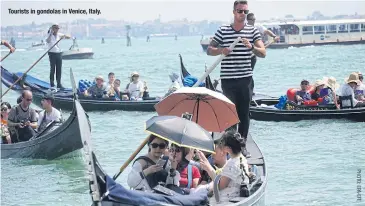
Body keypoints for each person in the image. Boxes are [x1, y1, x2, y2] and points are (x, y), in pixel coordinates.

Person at [207, 0, 266, 153]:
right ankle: (231, 144)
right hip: (228, 79)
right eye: (240, 11)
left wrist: (251, 46)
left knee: (244, 113)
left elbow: (263, 52)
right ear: (234, 12)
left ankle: (242, 145)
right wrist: (221, 50)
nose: (243, 15)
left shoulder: (252, 31)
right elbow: (209, 49)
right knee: (231, 113)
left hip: (245, 79)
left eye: (245, 12)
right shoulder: (224, 30)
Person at [46, 24, 71, 89]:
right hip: (52, 53)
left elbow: (69, 37)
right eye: (56, 28)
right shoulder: (49, 35)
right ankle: (52, 83)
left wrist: (65, 36)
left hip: (59, 53)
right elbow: (47, 41)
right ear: (52, 29)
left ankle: (59, 84)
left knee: (59, 69)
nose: (57, 30)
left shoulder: (59, 35)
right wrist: (51, 33)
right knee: (52, 69)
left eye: (57, 29)